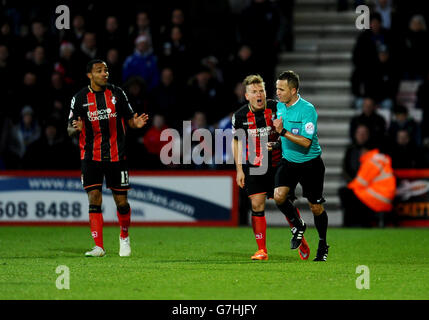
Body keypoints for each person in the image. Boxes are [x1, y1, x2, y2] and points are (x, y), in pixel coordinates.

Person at [67, 59, 149, 257]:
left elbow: (129, 119)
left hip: (116, 156)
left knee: (122, 202)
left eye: (106, 70)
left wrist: (135, 123)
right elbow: (69, 127)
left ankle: (124, 237)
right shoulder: (79, 98)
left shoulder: (117, 93)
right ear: (90, 75)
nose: (105, 73)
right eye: (99, 71)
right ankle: (99, 247)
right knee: (94, 198)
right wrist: (74, 129)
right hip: (90, 156)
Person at [231, 74, 310, 261]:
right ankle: (261, 250)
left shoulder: (278, 108)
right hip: (255, 166)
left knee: (282, 202)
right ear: (247, 96)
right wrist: (240, 169)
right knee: (257, 204)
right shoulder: (240, 116)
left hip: (279, 164)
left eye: (261, 91)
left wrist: (278, 144)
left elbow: (292, 134)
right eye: (254, 92)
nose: (259, 95)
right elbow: (237, 142)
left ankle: (301, 238)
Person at [272, 70, 329, 261]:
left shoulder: (307, 109)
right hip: (289, 161)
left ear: (293, 90)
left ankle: (323, 244)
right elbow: (286, 137)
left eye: (281, 89)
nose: (277, 92)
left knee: (316, 208)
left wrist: (282, 132)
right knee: (278, 196)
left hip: (310, 164)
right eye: (277, 88)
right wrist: (277, 143)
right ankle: (298, 224)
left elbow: (305, 142)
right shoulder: (280, 107)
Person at [339, 146, 396, 227]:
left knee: (345, 193)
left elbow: (359, 183)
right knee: (352, 195)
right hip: (384, 197)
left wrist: (349, 187)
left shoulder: (371, 161)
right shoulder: (380, 159)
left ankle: (352, 224)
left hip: (378, 198)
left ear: (365, 150)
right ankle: (357, 223)